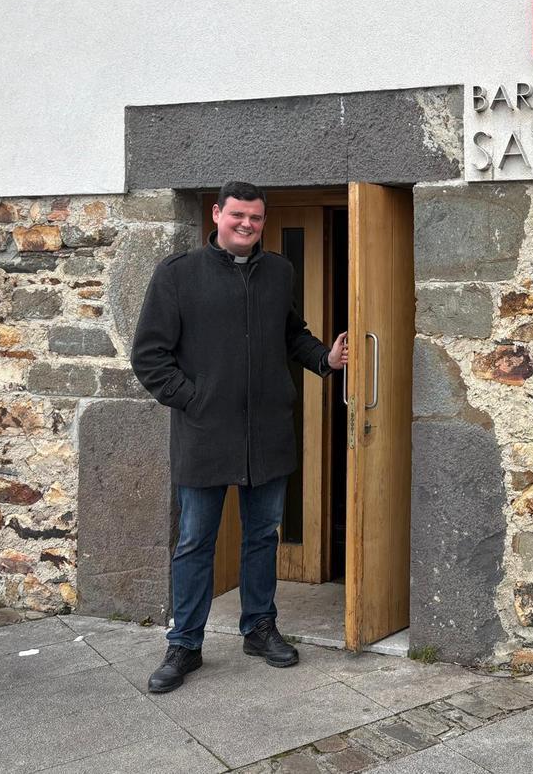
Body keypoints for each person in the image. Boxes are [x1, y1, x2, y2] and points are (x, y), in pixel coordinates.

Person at [131, 180, 347, 693]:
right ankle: (184, 643)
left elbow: (291, 333)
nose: (247, 224)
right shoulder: (177, 274)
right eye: (237, 216)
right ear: (217, 214)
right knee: (195, 541)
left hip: (267, 433)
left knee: (262, 536)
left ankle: (259, 628)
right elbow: (149, 355)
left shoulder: (279, 272)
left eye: (255, 217)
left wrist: (325, 358)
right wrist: (194, 399)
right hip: (204, 435)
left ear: (263, 220)